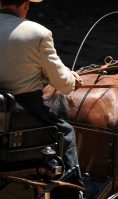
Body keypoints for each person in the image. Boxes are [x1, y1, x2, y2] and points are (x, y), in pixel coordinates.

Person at [0, 0, 85, 198]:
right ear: (26, 4)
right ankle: (72, 192)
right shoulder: (38, 33)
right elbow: (62, 83)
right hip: (23, 110)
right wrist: (74, 79)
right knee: (66, 133)